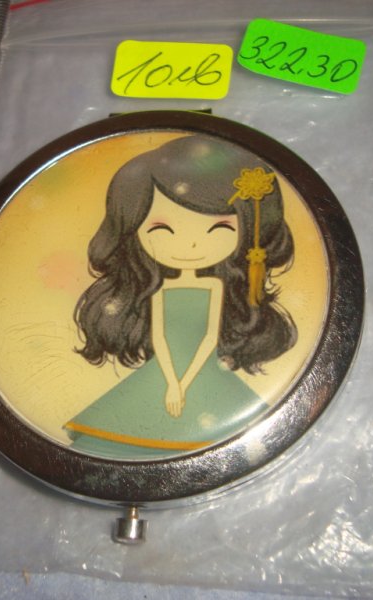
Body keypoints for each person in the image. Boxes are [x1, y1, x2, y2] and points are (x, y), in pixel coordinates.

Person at [67, 134, 297, 459]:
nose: (191, 244)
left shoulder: (214, 287)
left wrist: (184, 383)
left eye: (219, 229)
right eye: (161, 229)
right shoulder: (161, 289)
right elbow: (160, 338)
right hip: (164, 373)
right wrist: (172, 383)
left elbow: (208, 339)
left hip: (203, 374)